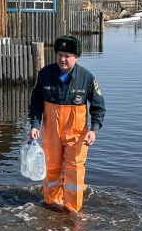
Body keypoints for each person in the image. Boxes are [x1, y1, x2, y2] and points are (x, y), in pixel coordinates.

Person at [28, 35, 105, 212]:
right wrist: (34, 125)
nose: (63, 59)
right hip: (51, 132)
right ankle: (51, 203)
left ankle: (73, 209)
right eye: (60, 54)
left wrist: (94, 130)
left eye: (67, 55)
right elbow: (36, 103)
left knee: (75, 169)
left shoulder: (86, 78)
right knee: (51, 165)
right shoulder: (45, 75)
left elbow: (98, 107)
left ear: (76, 57)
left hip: (76, 134)